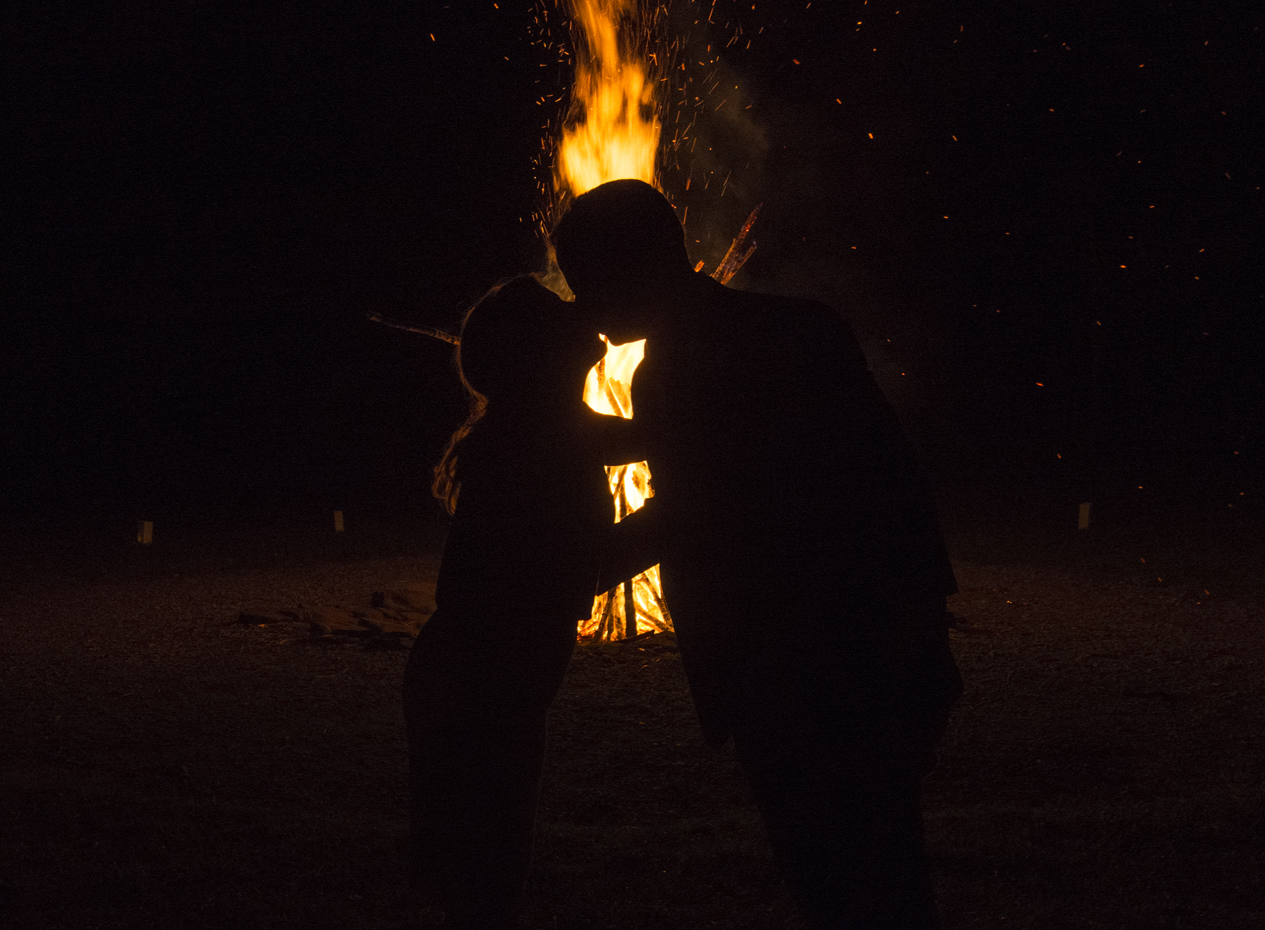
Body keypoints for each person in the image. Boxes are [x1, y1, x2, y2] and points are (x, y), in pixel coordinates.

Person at [552, 179, 963, 930]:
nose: (584, 307)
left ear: (630, 267)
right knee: (879, 874)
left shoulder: (677, 369)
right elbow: (898, 481)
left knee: (845, 878)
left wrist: (553, 574)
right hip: (860, 647)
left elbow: (692, 510)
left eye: (587, 284)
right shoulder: (792, 332)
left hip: (801, 663)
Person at [403, 274, 645, 930]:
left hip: (481, 674)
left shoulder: (548, 427)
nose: (579, 311)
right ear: (541, 354)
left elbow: (649, 433)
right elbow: (582, 570)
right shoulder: (539, 445)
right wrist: (679, 522)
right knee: (486, 873)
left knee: (481, 871)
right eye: (559, 312)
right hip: (483, 678)